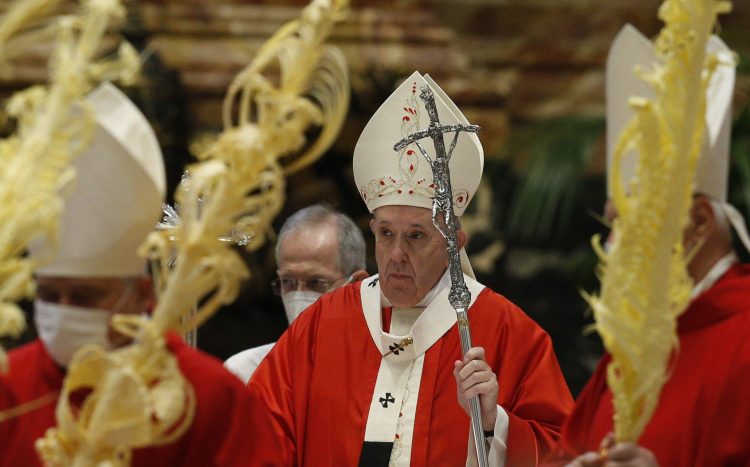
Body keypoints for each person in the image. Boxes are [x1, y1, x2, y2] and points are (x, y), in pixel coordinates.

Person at [245, 71, 573, 466]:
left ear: (454, 244)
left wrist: (493, 424)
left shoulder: (504, 330)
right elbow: (258, 430)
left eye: (416, 236)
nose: (396, 253)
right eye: (386, 233)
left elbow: (562, 452)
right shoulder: (323, 323)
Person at [0, 82, 259, 466]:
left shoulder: (205, 394)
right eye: (50, 295)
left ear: (141, 295)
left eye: (86, 297)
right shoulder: (8, 387)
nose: (64, 311)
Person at [544, 25, 750, 466]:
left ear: (697, 223)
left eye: (634, 223)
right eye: (612, 225)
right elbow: (568, 450)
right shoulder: (635, 348)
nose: (614, 246)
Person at [224, 203, 368, 383]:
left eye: (316, 282)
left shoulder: (385, 372)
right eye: (288, 282)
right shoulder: (246, 372)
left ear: (357, 285)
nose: (298, 296)